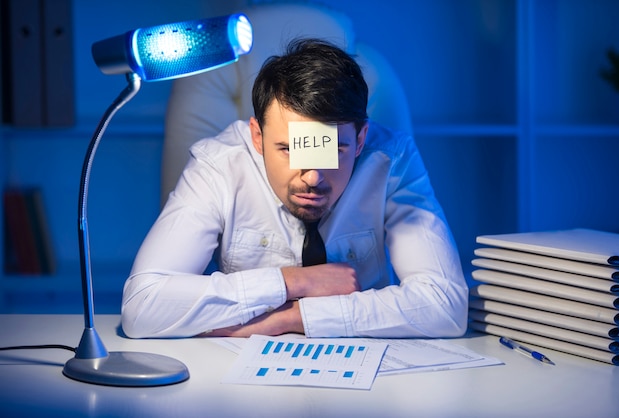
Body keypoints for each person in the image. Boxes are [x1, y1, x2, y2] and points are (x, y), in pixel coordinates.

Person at [121, 38, 468, 339]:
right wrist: (293, 283)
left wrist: (290, 319)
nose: (313, 178)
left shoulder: (392, 159)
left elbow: (446, 306)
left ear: (361, 139)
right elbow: (142, 306)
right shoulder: (219, 165)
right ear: (257, 136)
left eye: (333, 149)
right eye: (289, 149)